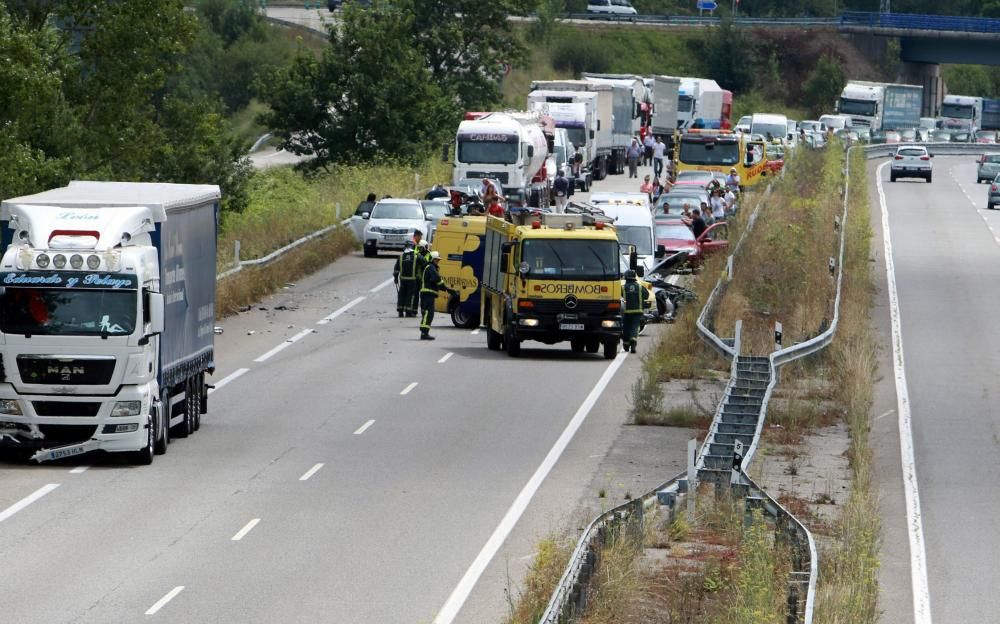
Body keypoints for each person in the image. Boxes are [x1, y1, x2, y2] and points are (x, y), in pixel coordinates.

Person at [419, 251, 456, 340]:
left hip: (426, 294)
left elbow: (434, 280)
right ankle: (424, 333)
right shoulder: (431, 267)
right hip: (428, 294)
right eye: (436, 260)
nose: (437, 262)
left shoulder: (429, 267)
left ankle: (424, 332)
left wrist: (444, 288)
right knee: (429, 313)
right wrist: (447, 289)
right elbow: (437, 279)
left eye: (438, 260)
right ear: (432, 259)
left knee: (426, 313)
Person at [622, 270, 648, 354]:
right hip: (637, 312)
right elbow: (646, 295)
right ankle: (633, 341)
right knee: (634, 327)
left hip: (625, 312)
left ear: (626, 278)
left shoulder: (622, 288)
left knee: (626, 328)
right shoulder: (640, 287)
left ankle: (626, 344)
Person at [393, 241, 418, 317]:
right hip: (412, 280)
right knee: (410, 296)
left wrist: (396, 278)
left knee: (401, 295)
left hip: (403, 280)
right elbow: (425, 263)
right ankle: (408, 312)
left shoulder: (400, 257)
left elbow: (396, 269)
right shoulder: (416, 257)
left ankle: (400, 312)